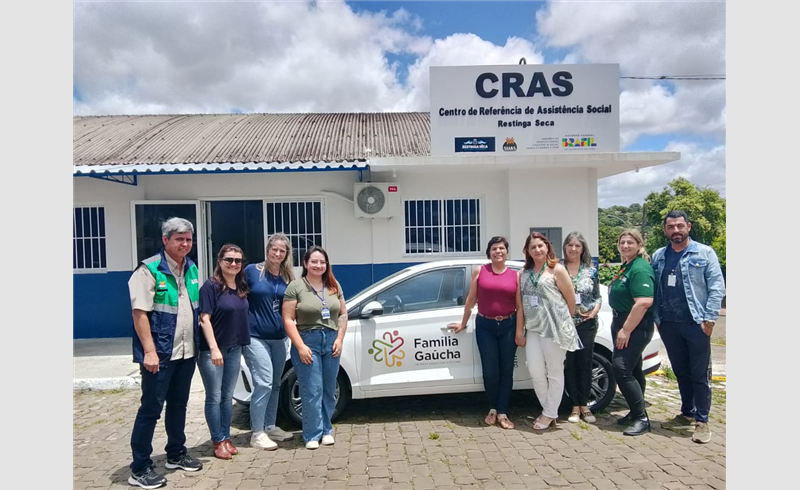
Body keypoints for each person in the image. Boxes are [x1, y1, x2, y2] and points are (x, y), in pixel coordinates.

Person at [127, 217, 203, 489]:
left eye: (188, 239)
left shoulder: (192, 268)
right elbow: (140, 315)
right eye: (179, 239)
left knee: (179, 405)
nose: (185, 244)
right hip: (159, 354)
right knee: (151, 409)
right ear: (165, 240)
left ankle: (176, 453)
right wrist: (149, 352)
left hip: (185, 353)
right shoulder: (149, 271)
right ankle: (140, 468)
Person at [652, 211, 725, 444]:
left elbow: (717, 287)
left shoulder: (704, 253)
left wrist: (710, 320)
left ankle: (702, 421)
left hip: (696, 324)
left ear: (688, 227)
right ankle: (686, 413)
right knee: (681, 371)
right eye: (671, 227)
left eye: (680, 226)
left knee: (699, 374)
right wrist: (657, 318)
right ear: (665, 230)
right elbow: (655, 288)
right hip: (669, 324)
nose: (676, 231)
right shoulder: (659, 256)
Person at [449, 236, 519, 430]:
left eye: (502, 248)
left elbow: (520, 306)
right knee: (489, 371)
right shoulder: (480, 271)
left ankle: (503, 412)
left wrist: (519, 330)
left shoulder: (515, 276)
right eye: (494, 248)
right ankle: (493, 408)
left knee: (506, 370)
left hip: (508, 325)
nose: (498, 251)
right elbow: (471, 299)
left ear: (507, 252)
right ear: (489, 252)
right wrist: (463, 323)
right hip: (485, 326)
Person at [282, 246, 348, 449]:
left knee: (329, 389)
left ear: (326, 264)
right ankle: (311, 433)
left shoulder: (333, 285)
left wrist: (339, 338)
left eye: (322, 262)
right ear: (305, 263)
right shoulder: (295, 286)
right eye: (314, 262)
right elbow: (288, 318)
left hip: (331, 341)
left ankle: (326, 430)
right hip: (307, 341)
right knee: (312, 390)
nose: (318, 265)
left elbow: (343, 314)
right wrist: (300, 346)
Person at [516, 232, 581, 430]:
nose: (537, 250)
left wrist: (563, 323)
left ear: (547, 247)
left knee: (554, 372)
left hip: (554, 329)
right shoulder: (523, 273)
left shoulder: (557, 270)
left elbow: (570, 300)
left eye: (540, 246)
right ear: (527, 250)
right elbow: (520, 305)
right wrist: (520, 331)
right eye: (532, 247)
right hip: (534, 328)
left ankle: (549, 414)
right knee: (535, 372)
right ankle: (549, 410)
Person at [197, 244, 251, 460]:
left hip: (234, 348)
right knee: (214, 396)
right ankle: (217, 440)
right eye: (229, 260)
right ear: (219, 261)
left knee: (227, 396)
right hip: (213, 351)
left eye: (238, 261)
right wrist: (213, 348)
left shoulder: (240, 286)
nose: (234, 264)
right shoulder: (210, 287)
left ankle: (226, 438)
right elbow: (204, 319)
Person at [243, 234, 296, 450]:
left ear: (286, 254)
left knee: (275, 384)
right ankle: (256, 433)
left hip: (279, 338)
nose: (277, 253)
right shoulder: (251, 272)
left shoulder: (287, 276)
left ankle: (270, 426)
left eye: (282, 251)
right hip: (255, 336)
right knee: (263, 382)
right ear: (267, 250)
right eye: (274, 249)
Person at [608, 228, 655, 436]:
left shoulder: (640, 268)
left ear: (639, 245)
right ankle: (636, 411)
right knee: (634, 370)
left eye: (630, 242)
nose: (625, 246)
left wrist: (625, 330)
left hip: (635, 325)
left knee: (621, 369)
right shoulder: (627, 265)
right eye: (622, 242)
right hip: (622, 321)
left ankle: (641, 418)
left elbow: (644, 302)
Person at [560, 232, 602, 424]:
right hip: (565, 324)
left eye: (577, 246)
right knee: (570, 364)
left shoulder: (590, 270)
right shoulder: (557, 269)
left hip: (586, 323)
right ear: (565, 247)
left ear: (582, 248)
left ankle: (584, 405)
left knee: (584, 364)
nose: (573, 249)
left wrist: (595, 311)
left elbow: (597, 296)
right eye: (570, 245)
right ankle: (574, 406)